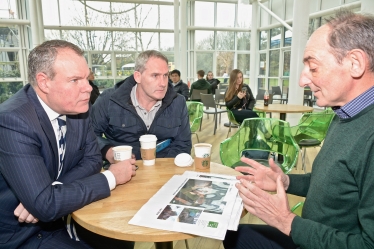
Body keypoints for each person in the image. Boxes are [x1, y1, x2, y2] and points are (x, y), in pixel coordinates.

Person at [223, 10, 374, 249]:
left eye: (313, 68)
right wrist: (284, 181)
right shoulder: (345, 113)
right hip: (312, 234)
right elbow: (333, 183)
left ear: (355, 63)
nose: (302, 81)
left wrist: (287, 222)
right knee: (233, 234)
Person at [0, 40, 137, 248]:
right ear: (44, 82)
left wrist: (50, 192)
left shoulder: (78, 108)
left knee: (123, 242)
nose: (88, 89)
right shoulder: (13, 121)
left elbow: (92, 159)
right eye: (75, 80)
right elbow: (45, 205)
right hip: (21, 235)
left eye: (87, 78)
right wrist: (111, 176)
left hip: (60, 217)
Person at [90, 50, 191, 164]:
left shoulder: (178, 102)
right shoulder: (109, 100)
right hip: (122, 171)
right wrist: (107, 151)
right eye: (155, 75)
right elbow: (89, 134)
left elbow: (183, 144)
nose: (163, 83)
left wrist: (162, 168)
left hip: (165, 170)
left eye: (165, 75)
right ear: (138, 76)